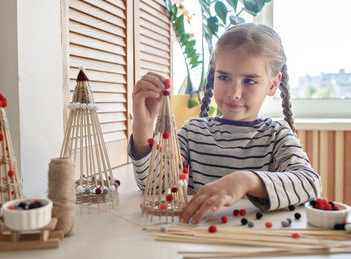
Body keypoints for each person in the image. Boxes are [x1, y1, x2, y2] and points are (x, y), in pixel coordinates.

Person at [129, 23, 321, 224]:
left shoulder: (276, 135)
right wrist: (143, 125)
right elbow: (154, 186)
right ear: (213, 76)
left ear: (273, 84)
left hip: (252, 246)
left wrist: (246, 181)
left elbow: (310, 184)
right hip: (195, 240)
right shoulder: (192, 133)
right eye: (224, 77)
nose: (233, 93)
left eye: (249, 81)